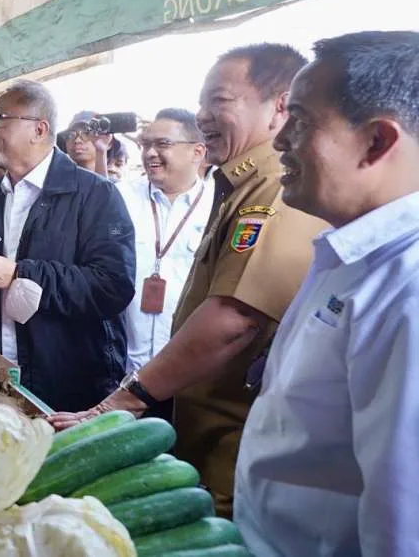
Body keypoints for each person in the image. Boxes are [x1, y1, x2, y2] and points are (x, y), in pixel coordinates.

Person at [50, 43, 327, 518]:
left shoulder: (274, 185)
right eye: (202, 102)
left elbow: (237, 317)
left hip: (238, 446)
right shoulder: (237, 182)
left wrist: (125, 400)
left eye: (220, 100)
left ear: (279, 105)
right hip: (195, 424)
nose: (204, 114)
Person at [235, 31, 419, 555]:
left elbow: (401, 530)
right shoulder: (349, 255)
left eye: (302, 121)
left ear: (377, 141)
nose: (278, 141)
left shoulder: (408, 289)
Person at [0, 81, 136, 412]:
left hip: (69, 384)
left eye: (0, 118)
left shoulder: (94, 194)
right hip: (2, 373)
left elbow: (113, 286)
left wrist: (21, 273)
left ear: (39, 129)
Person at [117, 109, 212, 386]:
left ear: (197, 151)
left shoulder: (219, 207)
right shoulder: (120, 198)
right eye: (146, 144)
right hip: (121, 371)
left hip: (186, 376)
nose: (150, 153)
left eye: (163, 144)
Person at [61, 110, 121, 178]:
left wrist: (101, 152)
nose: (77, 140)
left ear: (109, 144)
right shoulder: (54, 181)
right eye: (70, 135)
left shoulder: (118, 186)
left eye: (86, 133)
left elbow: (100, 186)